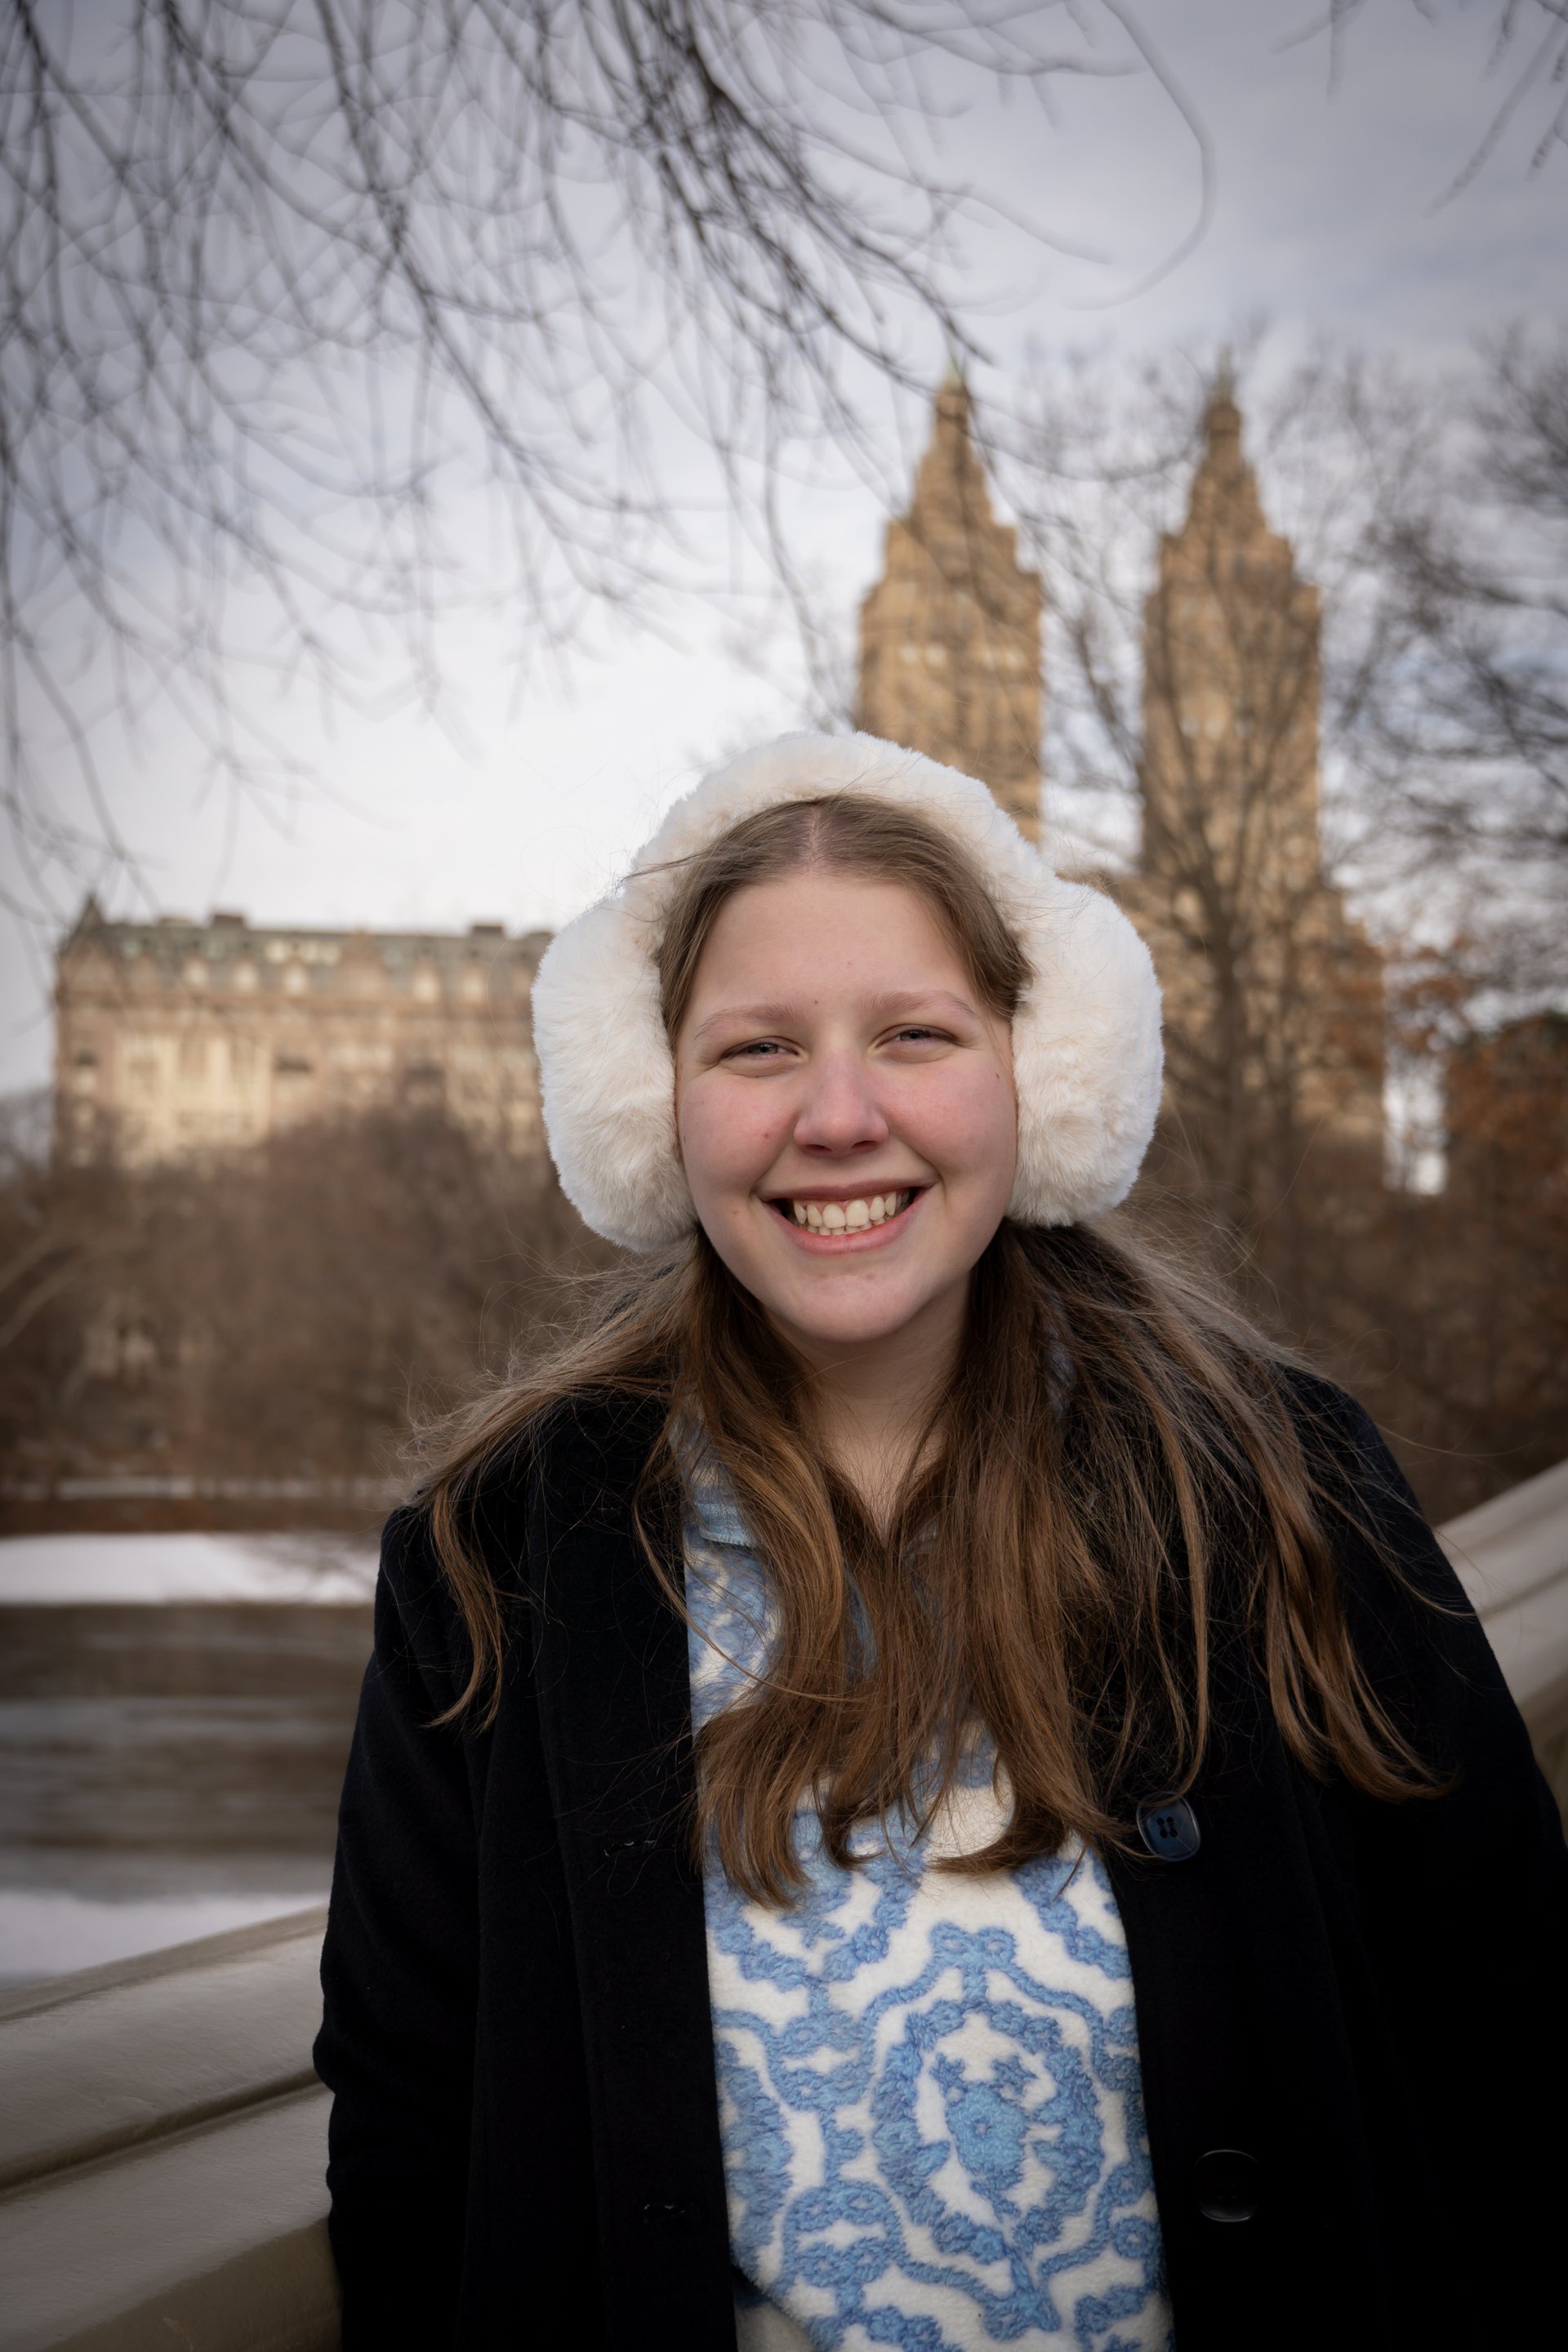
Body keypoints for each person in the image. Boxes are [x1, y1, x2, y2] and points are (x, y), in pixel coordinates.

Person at [314, 733, 1566, 2352]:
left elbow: (1512, 2033)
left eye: (915, 1034)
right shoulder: (493, 1560)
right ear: (652, 1108)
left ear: (1040, 1078)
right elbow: (409, 2134)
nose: (840, 1117)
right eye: (759, 1048)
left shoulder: (1280, 1484)